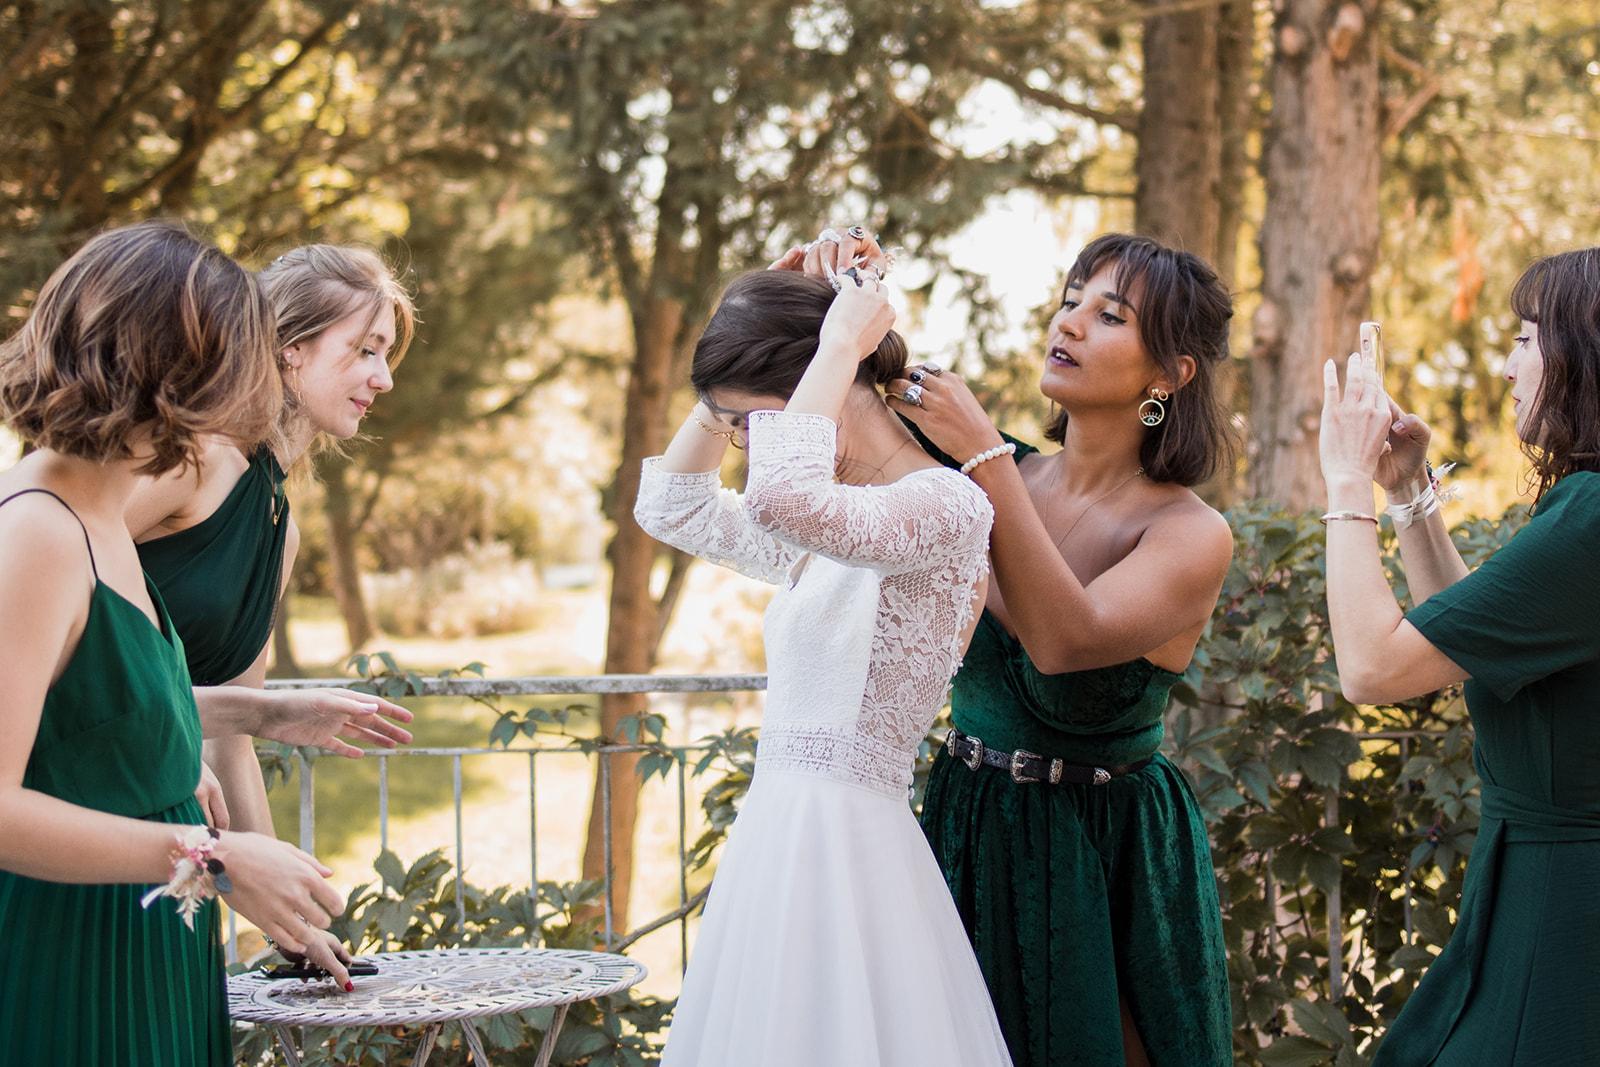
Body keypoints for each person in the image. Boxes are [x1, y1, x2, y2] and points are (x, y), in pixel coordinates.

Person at [837, 230, 1237, 1066]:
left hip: (1103, 859)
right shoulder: (991, 469)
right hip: (966, 820)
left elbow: (1063, 641)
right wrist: (836, 292)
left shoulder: (1190, 532)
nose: (1073, 323)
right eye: (1070, 300)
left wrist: (985, 458)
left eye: (1111, 314)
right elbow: (840, 410)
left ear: (1171, 374)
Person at [634, 264, 1012, 1066]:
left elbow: (779, 497)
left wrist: (839, 339)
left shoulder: (943, 507)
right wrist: (740, 349)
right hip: (779, 837)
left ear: (830, 381)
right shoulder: (832, 520)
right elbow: (671, 505)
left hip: (852, 849)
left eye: (745, 422)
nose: (739, 443)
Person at [0, 221, 353, 1064]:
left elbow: (93, 712)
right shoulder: (38, 533)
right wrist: (213, 856)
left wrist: (240, 725)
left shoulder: (102, 520)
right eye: (239, 364)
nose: (253, 393)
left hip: (152, 950)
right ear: (172, 372)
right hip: (69, 972)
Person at [1319, 247, 1600, 1066]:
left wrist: (1345, 483)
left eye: (1523, 339)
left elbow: (1373, 668)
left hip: (1562, 916)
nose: (1509, 366)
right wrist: (1407, 489)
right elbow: (1475, 645)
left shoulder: (1589, 516)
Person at [126, 244, 417, 981]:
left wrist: (293, 928)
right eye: (365, 349)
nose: (384, 377)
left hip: (179, 848)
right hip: (88, 812)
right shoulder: (196, 460)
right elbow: (56, 580)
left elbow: (233, 737)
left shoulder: (278, 525)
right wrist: (170, 735)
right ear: (289, 351)